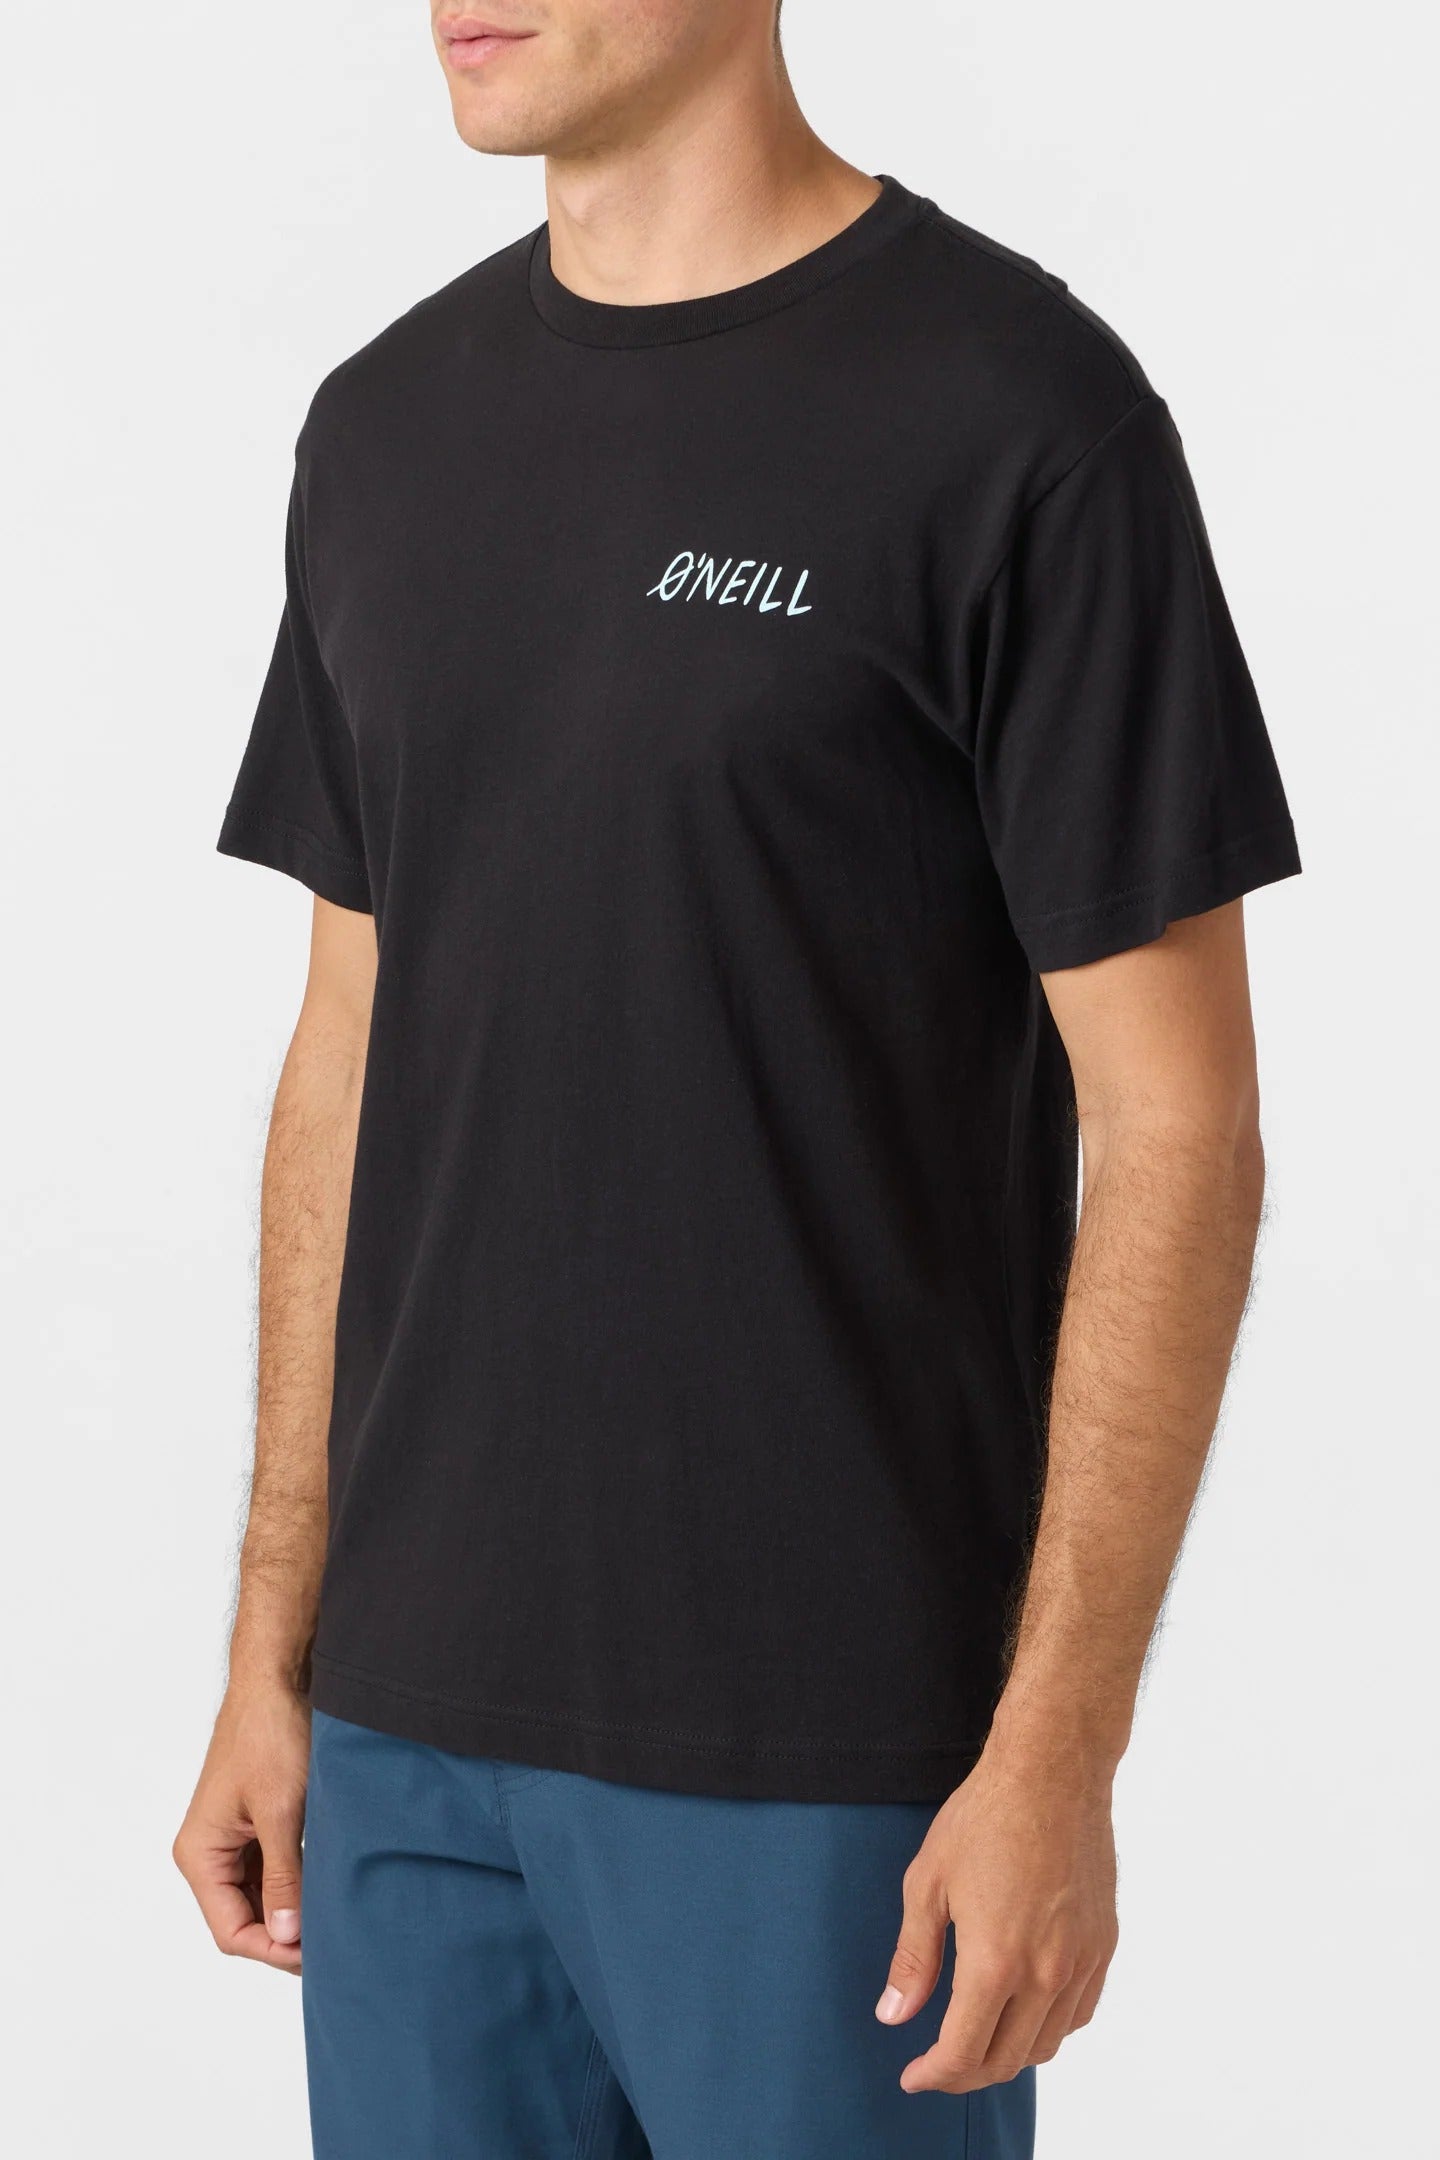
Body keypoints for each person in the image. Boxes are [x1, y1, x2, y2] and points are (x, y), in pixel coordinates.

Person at [173, 4, 1300, 2153]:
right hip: (408, 1743)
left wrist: (1056, 1751)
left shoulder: (1018, 417)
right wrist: (273, 1646)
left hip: (828, 1760)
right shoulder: (385, 426)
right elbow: (349, 1049)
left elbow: (1181, 1128)